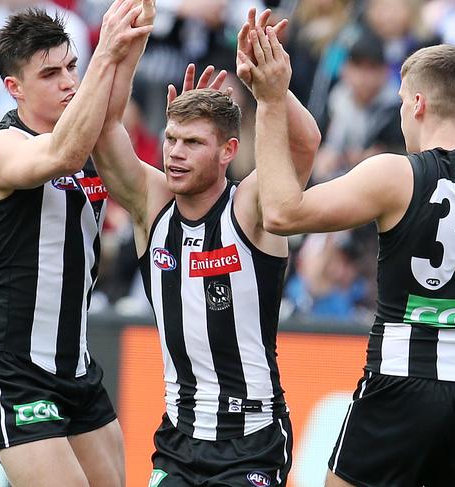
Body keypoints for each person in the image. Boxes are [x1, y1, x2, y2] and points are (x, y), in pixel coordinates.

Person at [245, 30, 455, 486]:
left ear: (417, 103)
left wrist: (269, 101)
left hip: (401, 383)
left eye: (401, 101)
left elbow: (280, 213)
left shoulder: (397, 175)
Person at [91, 8, 321, 485]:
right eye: (171, 139)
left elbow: (303, 148)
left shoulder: (251, 208)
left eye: (193, 142)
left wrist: (270, 89)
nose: (175, 152)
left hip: (251, 440)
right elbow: (106, 130)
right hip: (178, 440)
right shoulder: (151, 204)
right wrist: (124, 49)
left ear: (228, 151)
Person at [0, 1, 154, 486]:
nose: (68, 81)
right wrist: (106, 52)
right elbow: (63, 153)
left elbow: (105, 115)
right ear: (14, 88)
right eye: (50, 74)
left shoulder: (90, 136)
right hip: (8, 365)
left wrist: (134, 36)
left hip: (75, 367)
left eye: (72, 66)